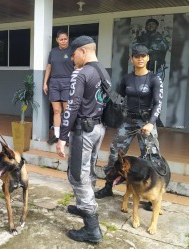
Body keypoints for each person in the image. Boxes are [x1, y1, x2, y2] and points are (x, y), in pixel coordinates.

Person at [94, 45, 164, 211]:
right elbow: (118, 98)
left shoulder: (155, 79)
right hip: (129, 121)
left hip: (146, 122)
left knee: (152, 157)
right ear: (131, 59)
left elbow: (158, 103)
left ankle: (150, 195)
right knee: (114, 152)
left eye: (143, 56)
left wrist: (151, 122)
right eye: (136, 56)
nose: (140, 59)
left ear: (148, 58)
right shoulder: (126, 79)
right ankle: (108, 186)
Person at [56, 36, 110, 243]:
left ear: (83, 52)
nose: (71, 58)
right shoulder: (103, 71)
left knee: (77, 175)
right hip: (98, 128)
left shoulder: (80, 73)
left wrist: (61, 137)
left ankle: (92, 228)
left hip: (83, 132)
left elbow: (71, 107)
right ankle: (83, 206)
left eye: (73, 54)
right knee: (89, 170)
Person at [43, 30, 74, 145]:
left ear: (68, 39)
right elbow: (49, 67)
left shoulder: (72, 51)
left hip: (68, 82)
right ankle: (56, 135)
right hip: (54, 83)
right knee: (56, 110)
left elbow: (77, 67)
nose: (63, 41)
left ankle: (67, 136)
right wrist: (45, 82)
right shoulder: (53, 52)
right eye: (61, 39)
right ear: (57, 40)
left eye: (65, 39)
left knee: (67, 111)